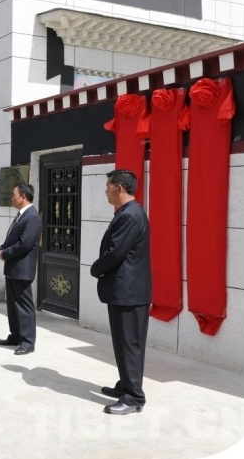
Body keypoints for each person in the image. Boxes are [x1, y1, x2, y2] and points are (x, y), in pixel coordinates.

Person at [90, 170, 151, 415]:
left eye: (108, 186)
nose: (105, 191)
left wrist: (96, 268)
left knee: (129, 344)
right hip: (125, 291)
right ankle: (126, 385)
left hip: (129, 292)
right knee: (123, 343)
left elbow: (115, 252)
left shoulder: (130, 215)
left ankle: (134, 397)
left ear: (119, 188)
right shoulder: (128, 213)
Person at [0, 183, 43, 355]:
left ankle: (28, 342)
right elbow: (12, 238)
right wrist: (2, 248)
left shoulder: (32, 217)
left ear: (23, 196)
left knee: (24, 306)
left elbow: (25, 244)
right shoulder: (21, 215)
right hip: (13, 267)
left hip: (22, 269)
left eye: (14, 195)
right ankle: (15, 335)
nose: (12, 198)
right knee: (13, 305)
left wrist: (6, 253)